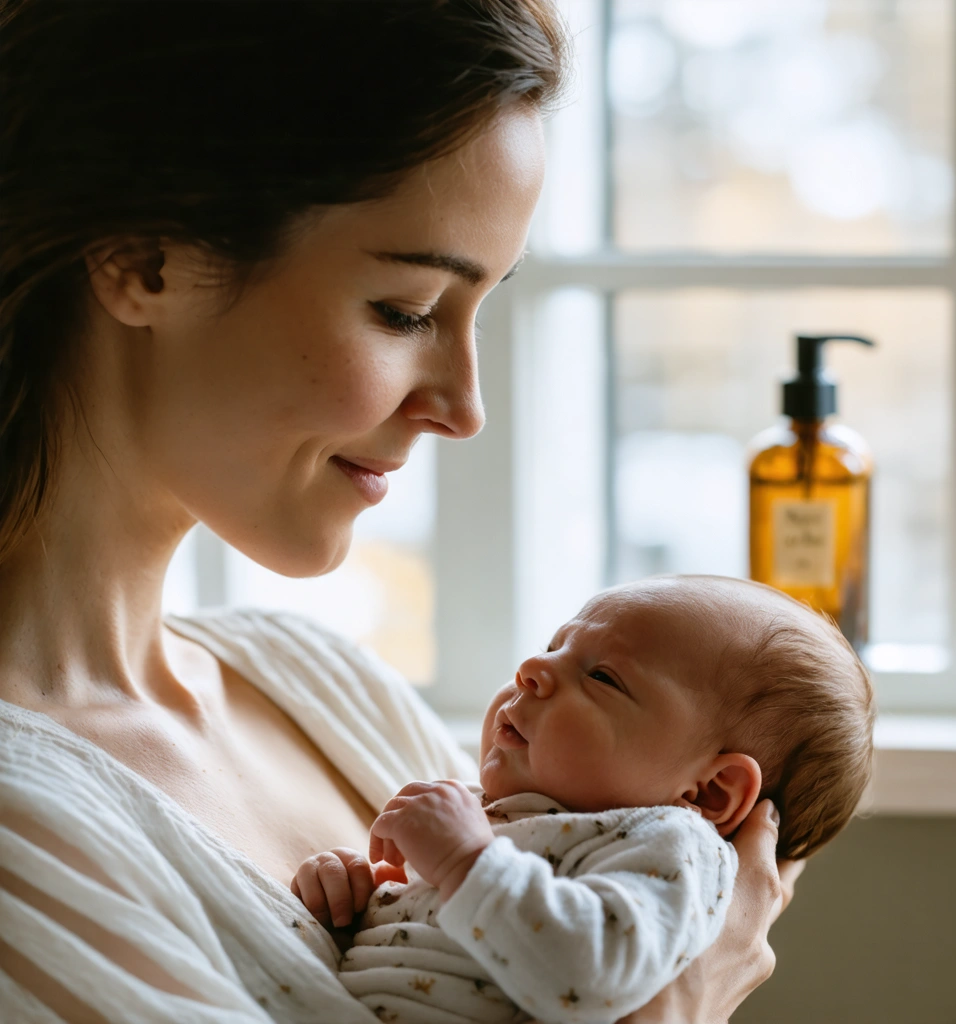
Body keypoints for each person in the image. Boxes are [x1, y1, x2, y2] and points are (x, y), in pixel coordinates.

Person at [0, 2, 802, 1021]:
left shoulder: (321, 681)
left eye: (479, 310)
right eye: (406, 310)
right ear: (144, 259)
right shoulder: (23, 827)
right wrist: (672, 1008)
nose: (464, 409)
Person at [290, 576, 874, 1023]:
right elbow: (438, 934)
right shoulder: (500, 818)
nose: (532, 670)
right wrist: (357, 893)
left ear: (708, 791)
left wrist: (463, 858)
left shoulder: (672, 846)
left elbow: (591, 972)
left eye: (602, 678)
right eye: (552, 648)